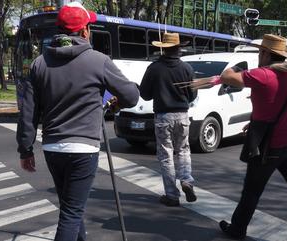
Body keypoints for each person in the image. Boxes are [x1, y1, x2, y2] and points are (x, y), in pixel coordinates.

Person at [16, 2, 139, 241]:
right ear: (84, 32)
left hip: (52, 147)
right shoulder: (98, 60)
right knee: (71, 214)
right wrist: (117, 101)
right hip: (83, 149)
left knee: (70, 208)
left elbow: (28, 113)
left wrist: (25, 149)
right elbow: (132, 96)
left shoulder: (39, 63)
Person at [200, 34, 287, 241]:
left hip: (270, 148)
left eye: (260, 52)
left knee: (251, 191)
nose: (258, 55)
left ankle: (237, 229)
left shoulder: (262, 75)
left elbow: (226, 77)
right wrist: (255, 124)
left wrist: (233, 68)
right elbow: (275, 107)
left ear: (265, 54)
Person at [139, 32, 197, 207]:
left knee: (166, 155)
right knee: (183, 151)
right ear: (178, 48)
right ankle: (186, 180)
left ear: (163, 48)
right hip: (182, 115)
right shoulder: (186, 68)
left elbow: (145, 94)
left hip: (163, 116)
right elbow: (192, 95)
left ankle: (172, 195)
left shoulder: (154, 68)